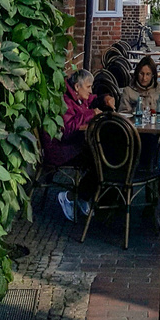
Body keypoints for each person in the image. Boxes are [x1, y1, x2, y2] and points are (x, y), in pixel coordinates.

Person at [42, 69, 100, 222]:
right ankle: (72, 197)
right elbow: (67, 129)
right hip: (60, 150)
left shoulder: (75, 97)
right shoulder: (64, 101)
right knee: (100, 162)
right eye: (88, 87)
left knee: (102, 157)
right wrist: (91, 114)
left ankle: (84, 196)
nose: (90, 90)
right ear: (76, 87)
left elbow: (90, 100)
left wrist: (104, 98)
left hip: (71, 146)